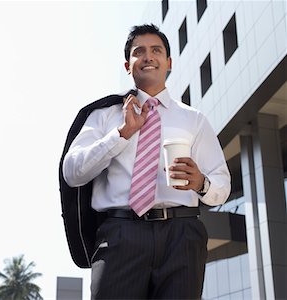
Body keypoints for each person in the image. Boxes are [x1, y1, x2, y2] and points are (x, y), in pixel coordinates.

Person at [62, 24, 231, 299]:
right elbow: (72, 172)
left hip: (182, 234)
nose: (148, 57)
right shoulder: (105, 115)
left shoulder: (194, 120)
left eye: (156, 50)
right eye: (139, 52)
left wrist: (201, 183)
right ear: (128, 65)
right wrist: (121, 134)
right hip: (120, 233)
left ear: (169, 62)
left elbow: (222, 185)